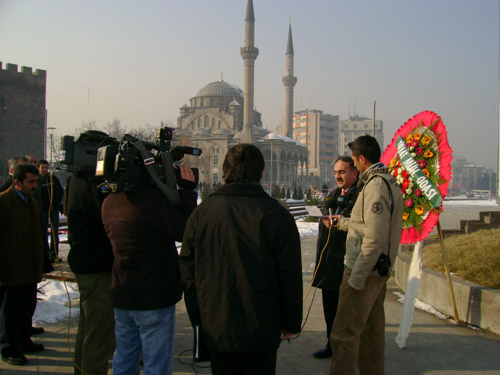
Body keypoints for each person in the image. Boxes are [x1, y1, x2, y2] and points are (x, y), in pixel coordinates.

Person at [179, 143, 303, 375]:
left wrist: (199, 317)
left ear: (225, 171)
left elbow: (187, 271)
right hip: (261, 327)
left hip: (217, 324)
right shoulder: (276, 215)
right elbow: (290, 276)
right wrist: (291, 321)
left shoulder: (202, 213)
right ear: (261, 173)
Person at [101, 165, 197, 375]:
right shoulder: (151, 202)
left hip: (123, 295)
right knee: (157, 365)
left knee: (124, 359)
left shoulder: (110, 202)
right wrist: (187, 192)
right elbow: (185, 229)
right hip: (154, 297)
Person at [329, 135, 403, 375]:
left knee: (344, 334)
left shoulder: (376, 185)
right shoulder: (384, 182)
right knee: (371, 334)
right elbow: (370, 226)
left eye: (352, 161)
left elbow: (375, 237)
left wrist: (356, 277)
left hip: (365, 269)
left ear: (361, 159)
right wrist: (345, 223)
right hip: (375, 269)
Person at [66, 167, 116, 375]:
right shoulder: (90, 183)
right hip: (96, 267)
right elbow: (108, 213)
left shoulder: (75, 180)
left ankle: (82, 370)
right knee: (98, 336)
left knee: (88, 330)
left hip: (87, 264)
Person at [312, 156, 360, 359]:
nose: (337, 176)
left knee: (348, 310)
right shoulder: (332, 194)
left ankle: (348, 348)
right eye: (335, 172)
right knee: (330, 307)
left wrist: (340, 223)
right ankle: (331, 343)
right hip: (329, 261)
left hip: (347, 261)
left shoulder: (360, 196)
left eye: (342, 172)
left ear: (354, 173)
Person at [0, 163, 45, 366]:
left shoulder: (31, 201)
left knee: (27, 307)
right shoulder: (4, 202)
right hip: (10, 268)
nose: (35, 186)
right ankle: (8, 347)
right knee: (10, 311)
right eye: (31, 182)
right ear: (17, 182)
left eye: (36, 181)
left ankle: (23, 340)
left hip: (28, 266)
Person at [38, 160, 64, 262]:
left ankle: (54, 255)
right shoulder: (37, 180)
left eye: (46, 167)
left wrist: (58, 201)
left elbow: (60, 190)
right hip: (43, 210)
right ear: (38, 168)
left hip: (53, 209)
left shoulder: (52, 178)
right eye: (42, 168)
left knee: (54, 233)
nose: (44, 170)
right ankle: (45, 255)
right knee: (43, 233)